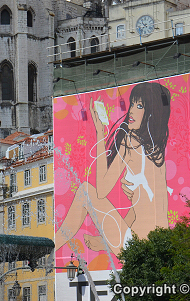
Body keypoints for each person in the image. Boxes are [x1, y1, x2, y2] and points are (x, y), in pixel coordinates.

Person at [54, 82, 171, 257]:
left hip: (134, 245)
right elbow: (147, 206)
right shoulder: (157, 153)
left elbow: (100, 190)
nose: (131, 111)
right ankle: (106, 240)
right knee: (137, 206)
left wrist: (100, 133)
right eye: (132, 103)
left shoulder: (130, 142)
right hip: (161, 244)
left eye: (139, 106)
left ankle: (49, 249)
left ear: (152, 114)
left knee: (85, 191)